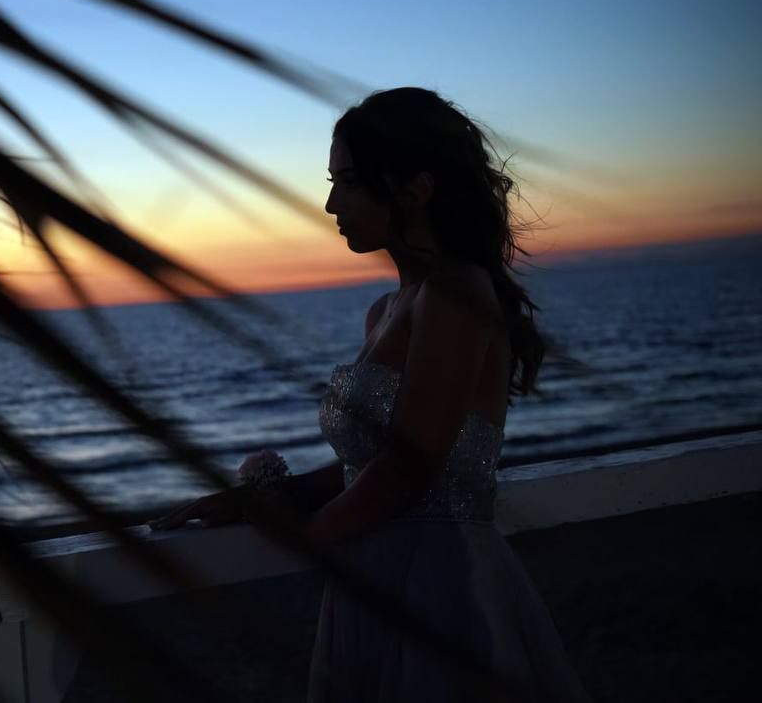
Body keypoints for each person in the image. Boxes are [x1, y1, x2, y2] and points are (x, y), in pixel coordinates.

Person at [150, 88, 588, 701]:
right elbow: (372, 463)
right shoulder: (387, 309)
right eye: (333, 183)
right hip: (379, 575)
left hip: (439, 589)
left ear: (417, 189)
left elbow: (410, 467)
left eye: (349, 183)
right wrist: (259, 499)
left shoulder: (456, 293)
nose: (331, 203)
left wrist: (305, 538)